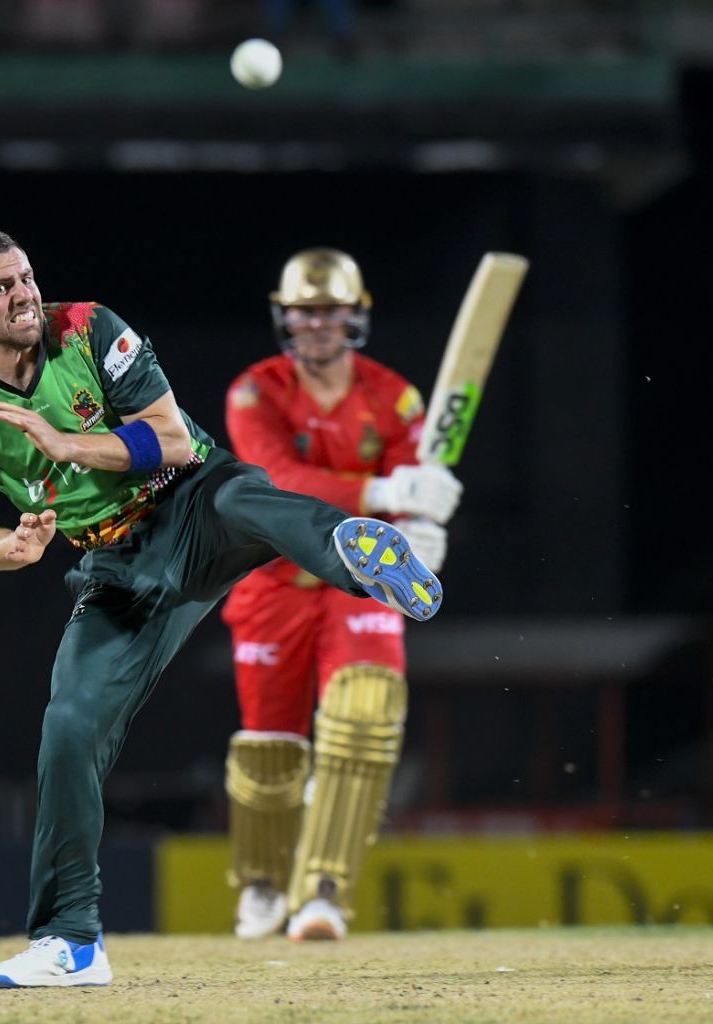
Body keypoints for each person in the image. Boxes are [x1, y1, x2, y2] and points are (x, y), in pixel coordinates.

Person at [0, 228, 446, 988]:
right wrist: (15, 548)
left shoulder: (91, 328)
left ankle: (358, 557)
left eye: (27, 277)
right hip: (114, 566)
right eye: (1, 288)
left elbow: (168, 440)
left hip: (189, 502)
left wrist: (70, 445)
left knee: (249, 498)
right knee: (68, 727)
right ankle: (72, 943)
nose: (25, 294)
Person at [219, 248, 462, 941]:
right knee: (270, 746)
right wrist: (385, 493)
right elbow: (275, 479)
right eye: (305, 312)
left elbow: (414, 488)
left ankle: (325, 889)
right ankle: (263, 883)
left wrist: (420, 532)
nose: (317, 325)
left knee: (364, 719)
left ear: (355, 316)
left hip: (362, 583)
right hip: (276, 580)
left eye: (330, 312)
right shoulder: (255, 392)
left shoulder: (396, 398)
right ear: (284, 317)